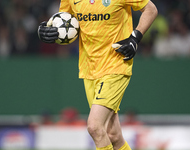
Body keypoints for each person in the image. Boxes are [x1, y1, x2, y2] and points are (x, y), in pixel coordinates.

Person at [38, 0, 157, 149]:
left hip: (116, 63)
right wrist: (50, 32)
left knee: (95, 127)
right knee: (112, 135)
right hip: (89, 68)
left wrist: (135, 38)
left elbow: (150, 9)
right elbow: (68, 25)